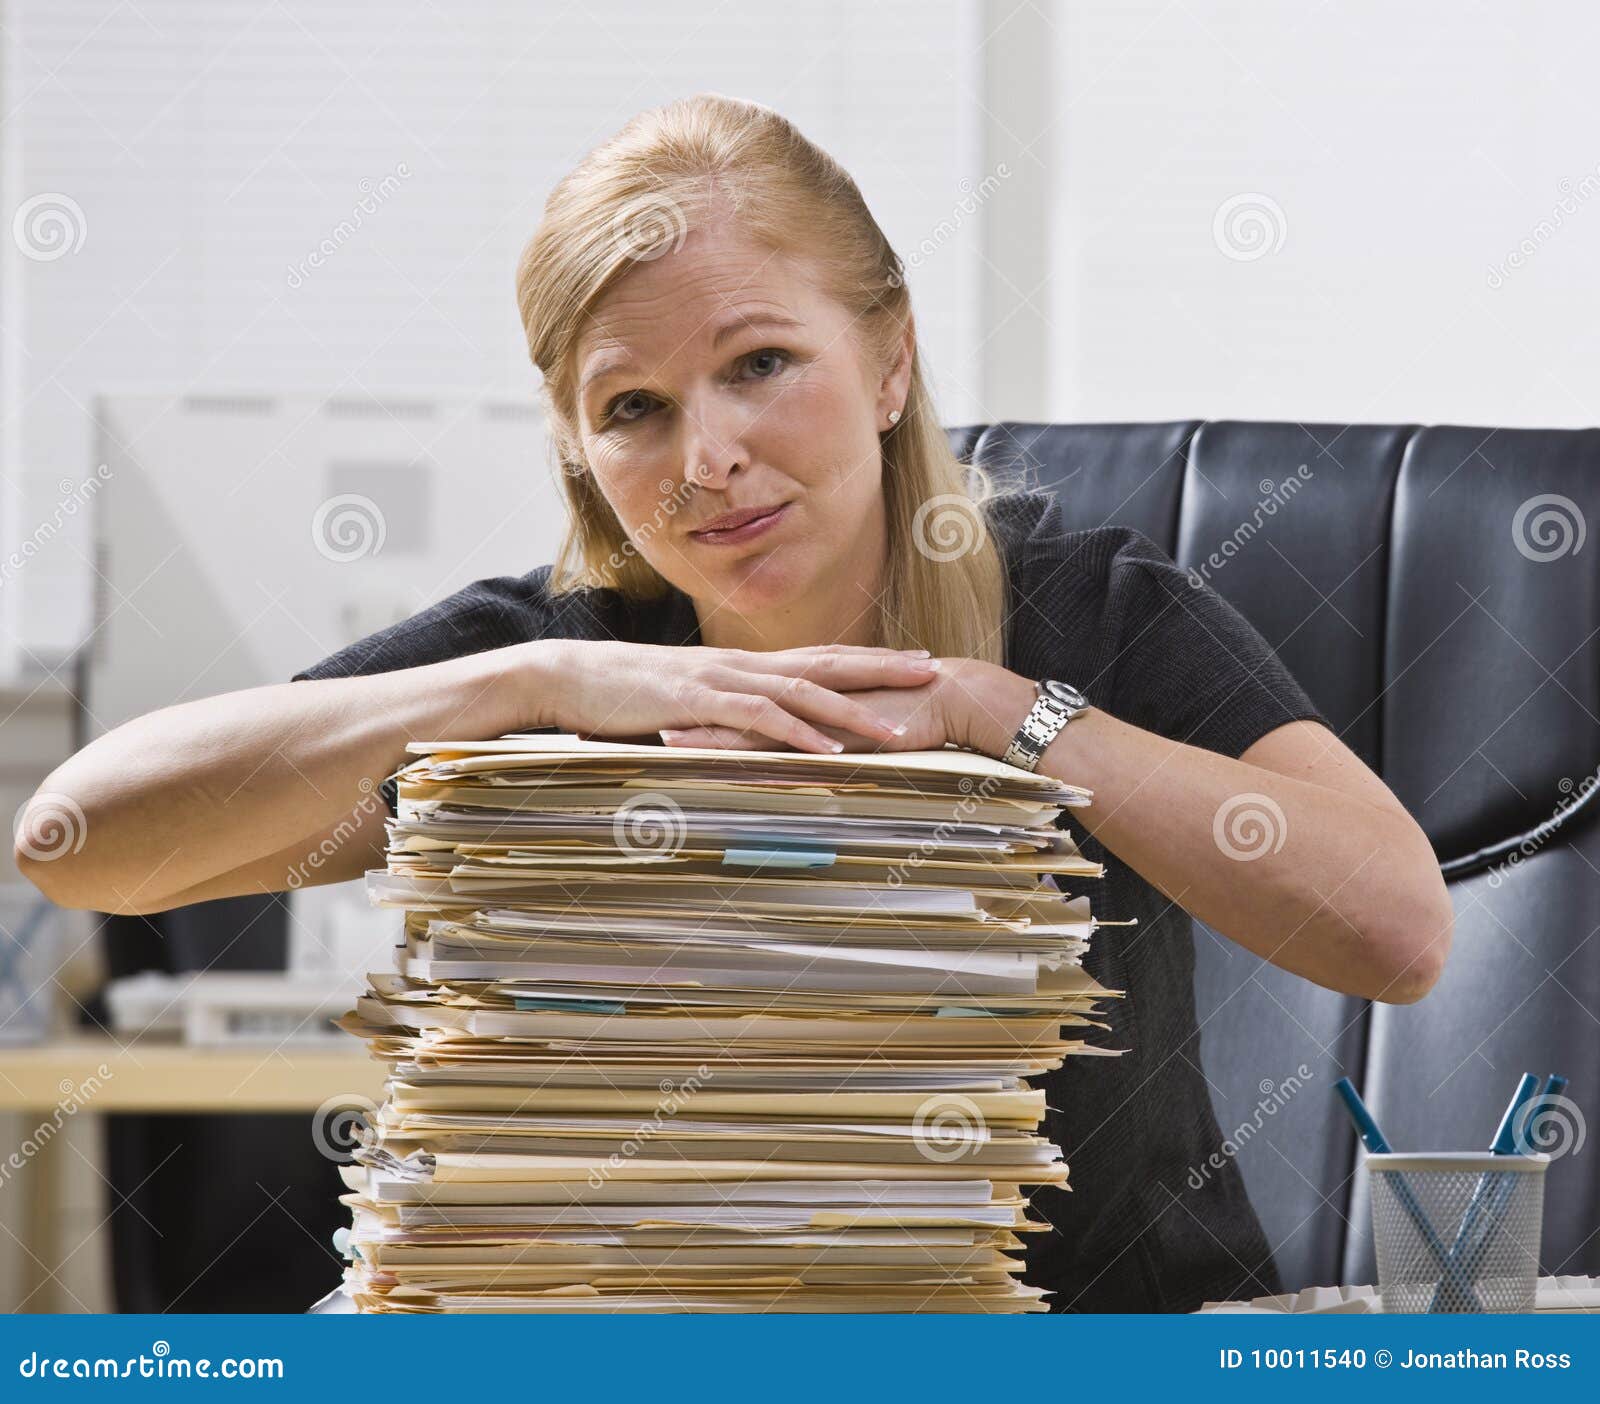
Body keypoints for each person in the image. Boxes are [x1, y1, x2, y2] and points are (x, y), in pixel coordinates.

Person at [16, 93, 1452, 1312]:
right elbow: (76, 840)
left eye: (761, 364)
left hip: (1082, 1341)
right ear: (580, 447)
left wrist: (993, 708)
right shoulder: (559, 654)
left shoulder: (1093, 616)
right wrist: (532, 684)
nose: (706, 458)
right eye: (632, 407)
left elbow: (1396, 931)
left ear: (889, 360)